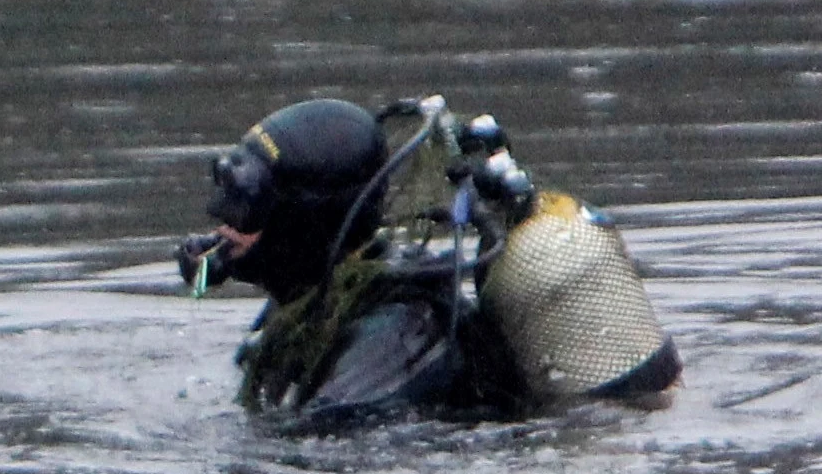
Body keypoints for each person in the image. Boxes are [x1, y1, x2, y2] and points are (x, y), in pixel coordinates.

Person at [177, 95, 681, 429]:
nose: (221, 219)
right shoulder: (320, 298)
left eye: (247, 202)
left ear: (302, 220)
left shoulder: (396, 330)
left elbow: (325, 437)